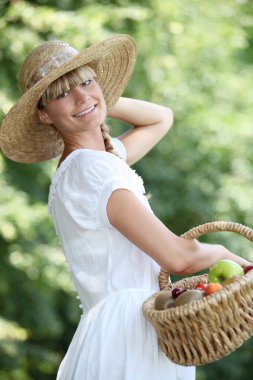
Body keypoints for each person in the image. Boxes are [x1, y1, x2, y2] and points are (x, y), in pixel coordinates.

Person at [0, 34, 250, 380]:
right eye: (62, 93)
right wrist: (225, 252)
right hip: (130, 336)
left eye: (87, 81)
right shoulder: (90, 169)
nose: (80, 94)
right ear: (42, 114)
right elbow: (178, 258)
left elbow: (161, 118)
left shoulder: (93, 162)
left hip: (132, 327)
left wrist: (94, 100)